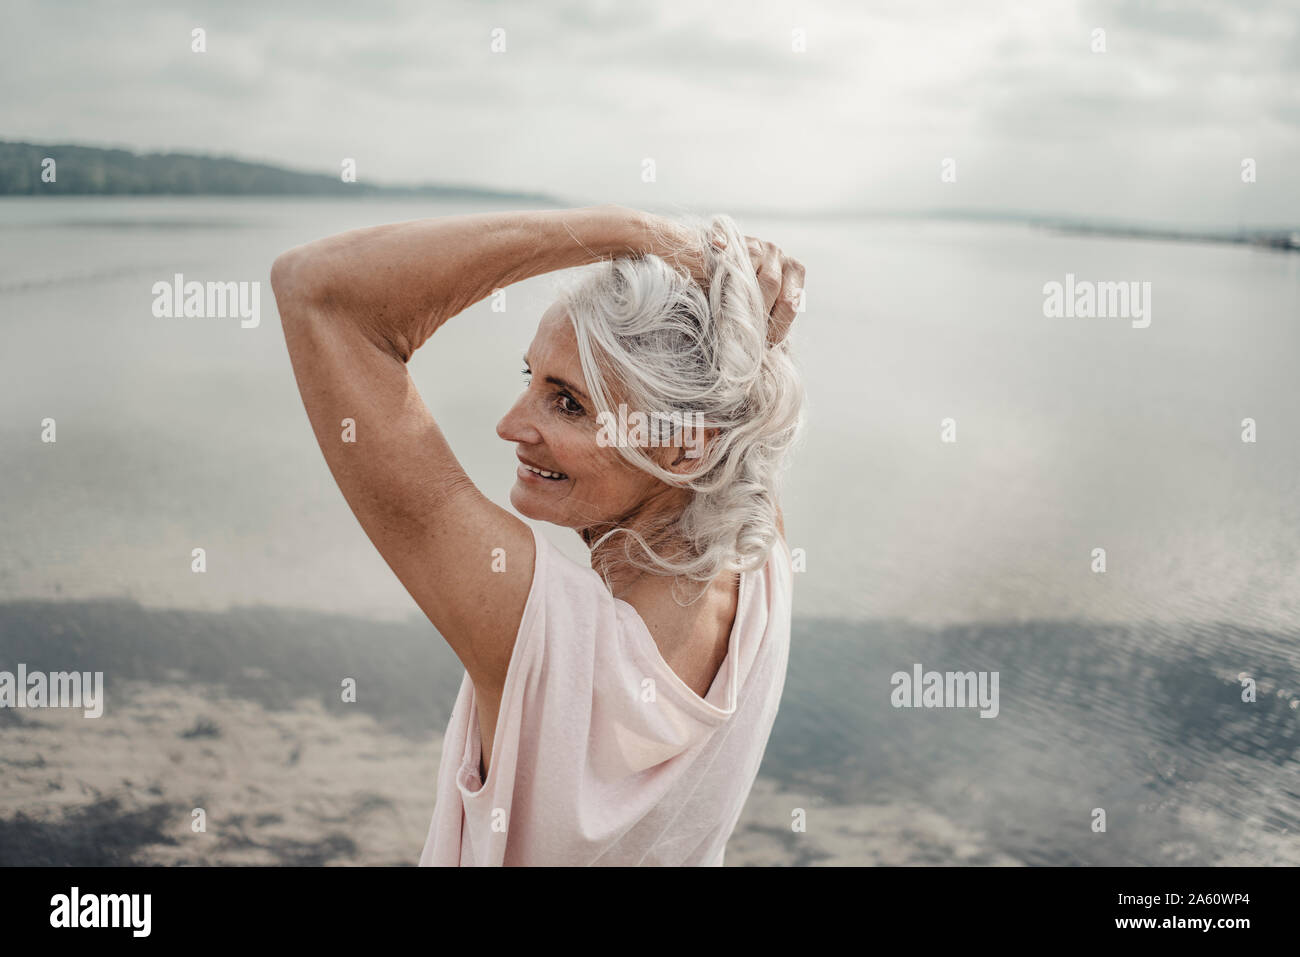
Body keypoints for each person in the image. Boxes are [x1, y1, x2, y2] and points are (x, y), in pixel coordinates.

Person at [269, 204, 806, 865]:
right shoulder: (761, 565)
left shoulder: (540, 633)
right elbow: (733, 401)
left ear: (686, 451)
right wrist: (743, 311)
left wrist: (637, 235)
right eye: (531, 378)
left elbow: (316, 289)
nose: (509, 424)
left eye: (568, 402)